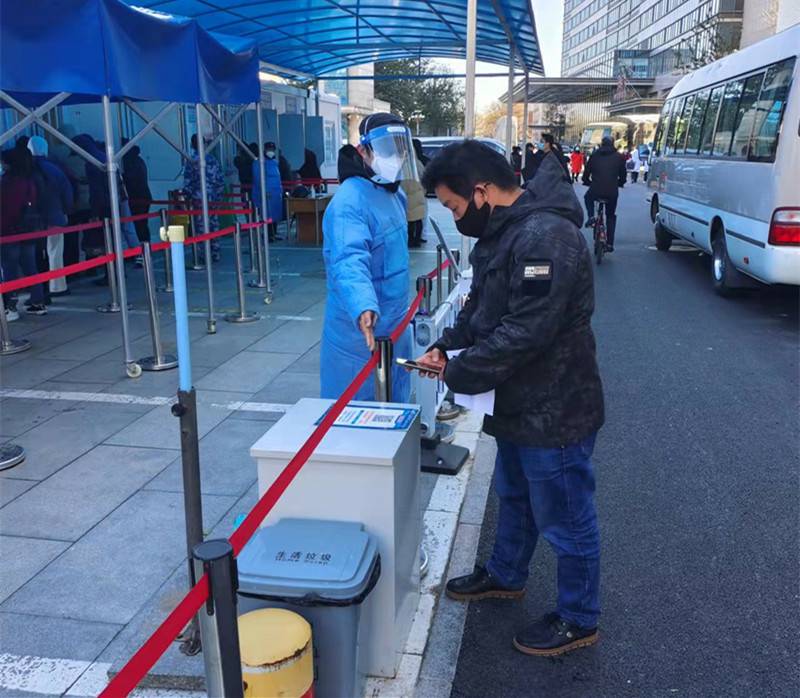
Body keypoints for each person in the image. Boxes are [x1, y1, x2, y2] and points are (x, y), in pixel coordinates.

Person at [415, 139, 605, 657]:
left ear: (481, 192)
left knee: (566, 517)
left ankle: (579, 617)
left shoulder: (546, 237)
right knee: (515, 495)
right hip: (518, 401)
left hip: (557, 408)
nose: (456, 217)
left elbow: (526, 331)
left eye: (455, 206)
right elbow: (481, 309)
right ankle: (505, 573)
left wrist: (458, 370)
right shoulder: (503, 233)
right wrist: (446, 345)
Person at [319, 113, 416, 401]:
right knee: (355, 409)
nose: (395, 157)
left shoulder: (394, 194)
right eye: (387, 149)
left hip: (396, 323)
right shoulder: (349, 202)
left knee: (396, 399)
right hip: (360, 333)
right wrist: (362, 304)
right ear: (363, 151)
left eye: (400, 148)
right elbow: (348, 260)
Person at [1, 148, 47, 318]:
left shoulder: (6, 183)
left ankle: (10, 307)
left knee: (9, 270)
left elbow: (6, 211)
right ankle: (38, 302)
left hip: (8, 232)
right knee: (30, 267)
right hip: (28, 231)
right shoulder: (29, 180)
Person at [27, 136, 73, 301]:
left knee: (34, 253)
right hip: (55, 216)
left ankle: (37, 286)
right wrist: (66, 210)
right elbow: (67, 192)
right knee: (55, 252)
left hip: (32, 220)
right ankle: (57, 286)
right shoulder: (54, 168)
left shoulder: (26, 170)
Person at [183, 133, 224, 261]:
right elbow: (220, 180)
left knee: (200, 227)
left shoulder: (191, 161)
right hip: (213, 198)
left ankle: (203, 254)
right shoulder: (213, 160)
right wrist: (219, 197)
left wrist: (188, 197)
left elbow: (188, 182)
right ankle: (215, 252)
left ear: (192, 145)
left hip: (198, 199)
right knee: (213, 225)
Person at [582, 136, 626, 253]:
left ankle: (591, 216)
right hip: (612, 192)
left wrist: (587, 182)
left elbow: (586, 172)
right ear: (613, 144)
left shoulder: (594, 155)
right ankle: (610, 243)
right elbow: (623, 174)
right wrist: (621, 183)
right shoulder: (619, 157)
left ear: (601, 144)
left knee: (588, 197)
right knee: (610, 215)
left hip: (595, 189)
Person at [121, 140, 152, 250]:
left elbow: (131, 178)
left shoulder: (129, 161)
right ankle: (145, 250)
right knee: (141, 225)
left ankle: (141, 252)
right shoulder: (138, 159)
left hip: (137, 198)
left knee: (138, 226)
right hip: (143, 197)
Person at [252, 141, 285, 242]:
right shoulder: (259, 163)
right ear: (265, 150)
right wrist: (264, 191)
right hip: (266, 194)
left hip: (275, 194)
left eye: (272, 149)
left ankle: (274, 233)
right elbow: (258, 179)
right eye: (269, 149)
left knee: (275, 215)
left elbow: (278, 179)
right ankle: (268, 235)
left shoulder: (275, 162)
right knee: (267, 214)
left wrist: (281, 190)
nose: (270, 151)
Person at [401, 140, 427, 248]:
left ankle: (410, 239)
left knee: (409, 220)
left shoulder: (401, 164)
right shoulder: (417, 163)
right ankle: (418, 239)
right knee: (418, 218)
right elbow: (424, 176)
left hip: (406, 194)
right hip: (418, 193)